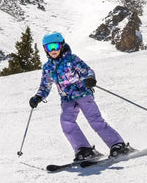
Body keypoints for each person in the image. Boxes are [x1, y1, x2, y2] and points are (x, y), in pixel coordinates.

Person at [30, 31, 128, 161]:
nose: (53, 50)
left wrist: (90, 79)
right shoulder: (47, 67)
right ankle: (84, 149)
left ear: (61, 45)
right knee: (66, 122)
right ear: (45, 49)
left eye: (55, 46)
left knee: (95, 120)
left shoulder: (72, 59)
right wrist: (38, 97)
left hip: (83, 94)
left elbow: (87, 71)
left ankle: (117, 144)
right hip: (66, 99)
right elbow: (45, 86)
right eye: (49, 47)